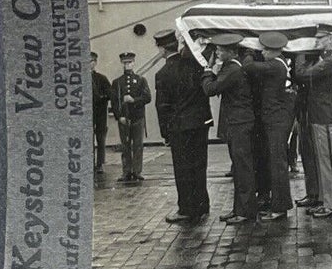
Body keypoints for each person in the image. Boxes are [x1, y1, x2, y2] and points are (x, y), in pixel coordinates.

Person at [153, 29, 212, 223]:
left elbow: (162, 107)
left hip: (179, 127)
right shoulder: (194, 65)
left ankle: (186, 208)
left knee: (183, 169)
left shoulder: (163, 73)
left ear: (162, 49)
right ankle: (202, 204)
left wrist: (165, 134)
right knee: (199, 165)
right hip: (199, 123)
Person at [200, 33, 257, 224]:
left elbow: (210, 89)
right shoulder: (231, 67)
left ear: (231, 52)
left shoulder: (232, 69)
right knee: (239, 168)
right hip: (238, 122)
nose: (217, 52)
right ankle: (239, 209)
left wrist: (208, 71)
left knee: (243, 168)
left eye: (220, 50)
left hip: (239, 123)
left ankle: (245, 211)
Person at [246, 30, 296, 220]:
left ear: (274, 51)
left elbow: (249, 68)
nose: (263, 53)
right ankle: (279, 204)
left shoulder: (275, 65)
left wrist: (250, 52)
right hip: (276, 119)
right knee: (276, 162)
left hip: (276, 121)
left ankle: (280, 208)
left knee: (278, 164)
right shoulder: (279, 62)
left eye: (265, 50)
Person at [302, 28, 332, 218]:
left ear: (331, 39)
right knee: (323, 161)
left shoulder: (329, 62)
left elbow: (303, 74)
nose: (316, 41)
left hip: (325, 117)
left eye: (320, 39)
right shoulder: (323, 60)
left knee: (329, 162)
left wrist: (300, 53)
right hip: (320, 115)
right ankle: (326, 200)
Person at [110, 49, 152, 185]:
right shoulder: (117, 82)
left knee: (138, 145)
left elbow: (147, 97)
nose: (127, 65)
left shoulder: (141, 80)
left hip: (137, 117)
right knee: (125, 146)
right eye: (125, 63)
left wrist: (133, 100)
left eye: (130, 62)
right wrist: (119, 116)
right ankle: (126, 171)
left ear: (134, 63)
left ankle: (137, 171)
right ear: (122, 64)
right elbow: (114, 101)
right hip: (124, 119)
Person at [90, 51, 111, 173]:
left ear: (95, 62)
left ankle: (100, 163)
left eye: (92, 61)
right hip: (87, 113)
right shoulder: (80, 80)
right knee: (88, 139)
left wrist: (102, 97)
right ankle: (90, 162)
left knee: (101, 138)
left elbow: (109, 94)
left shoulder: (102, 78)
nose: (90, 64)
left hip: (100, 112)